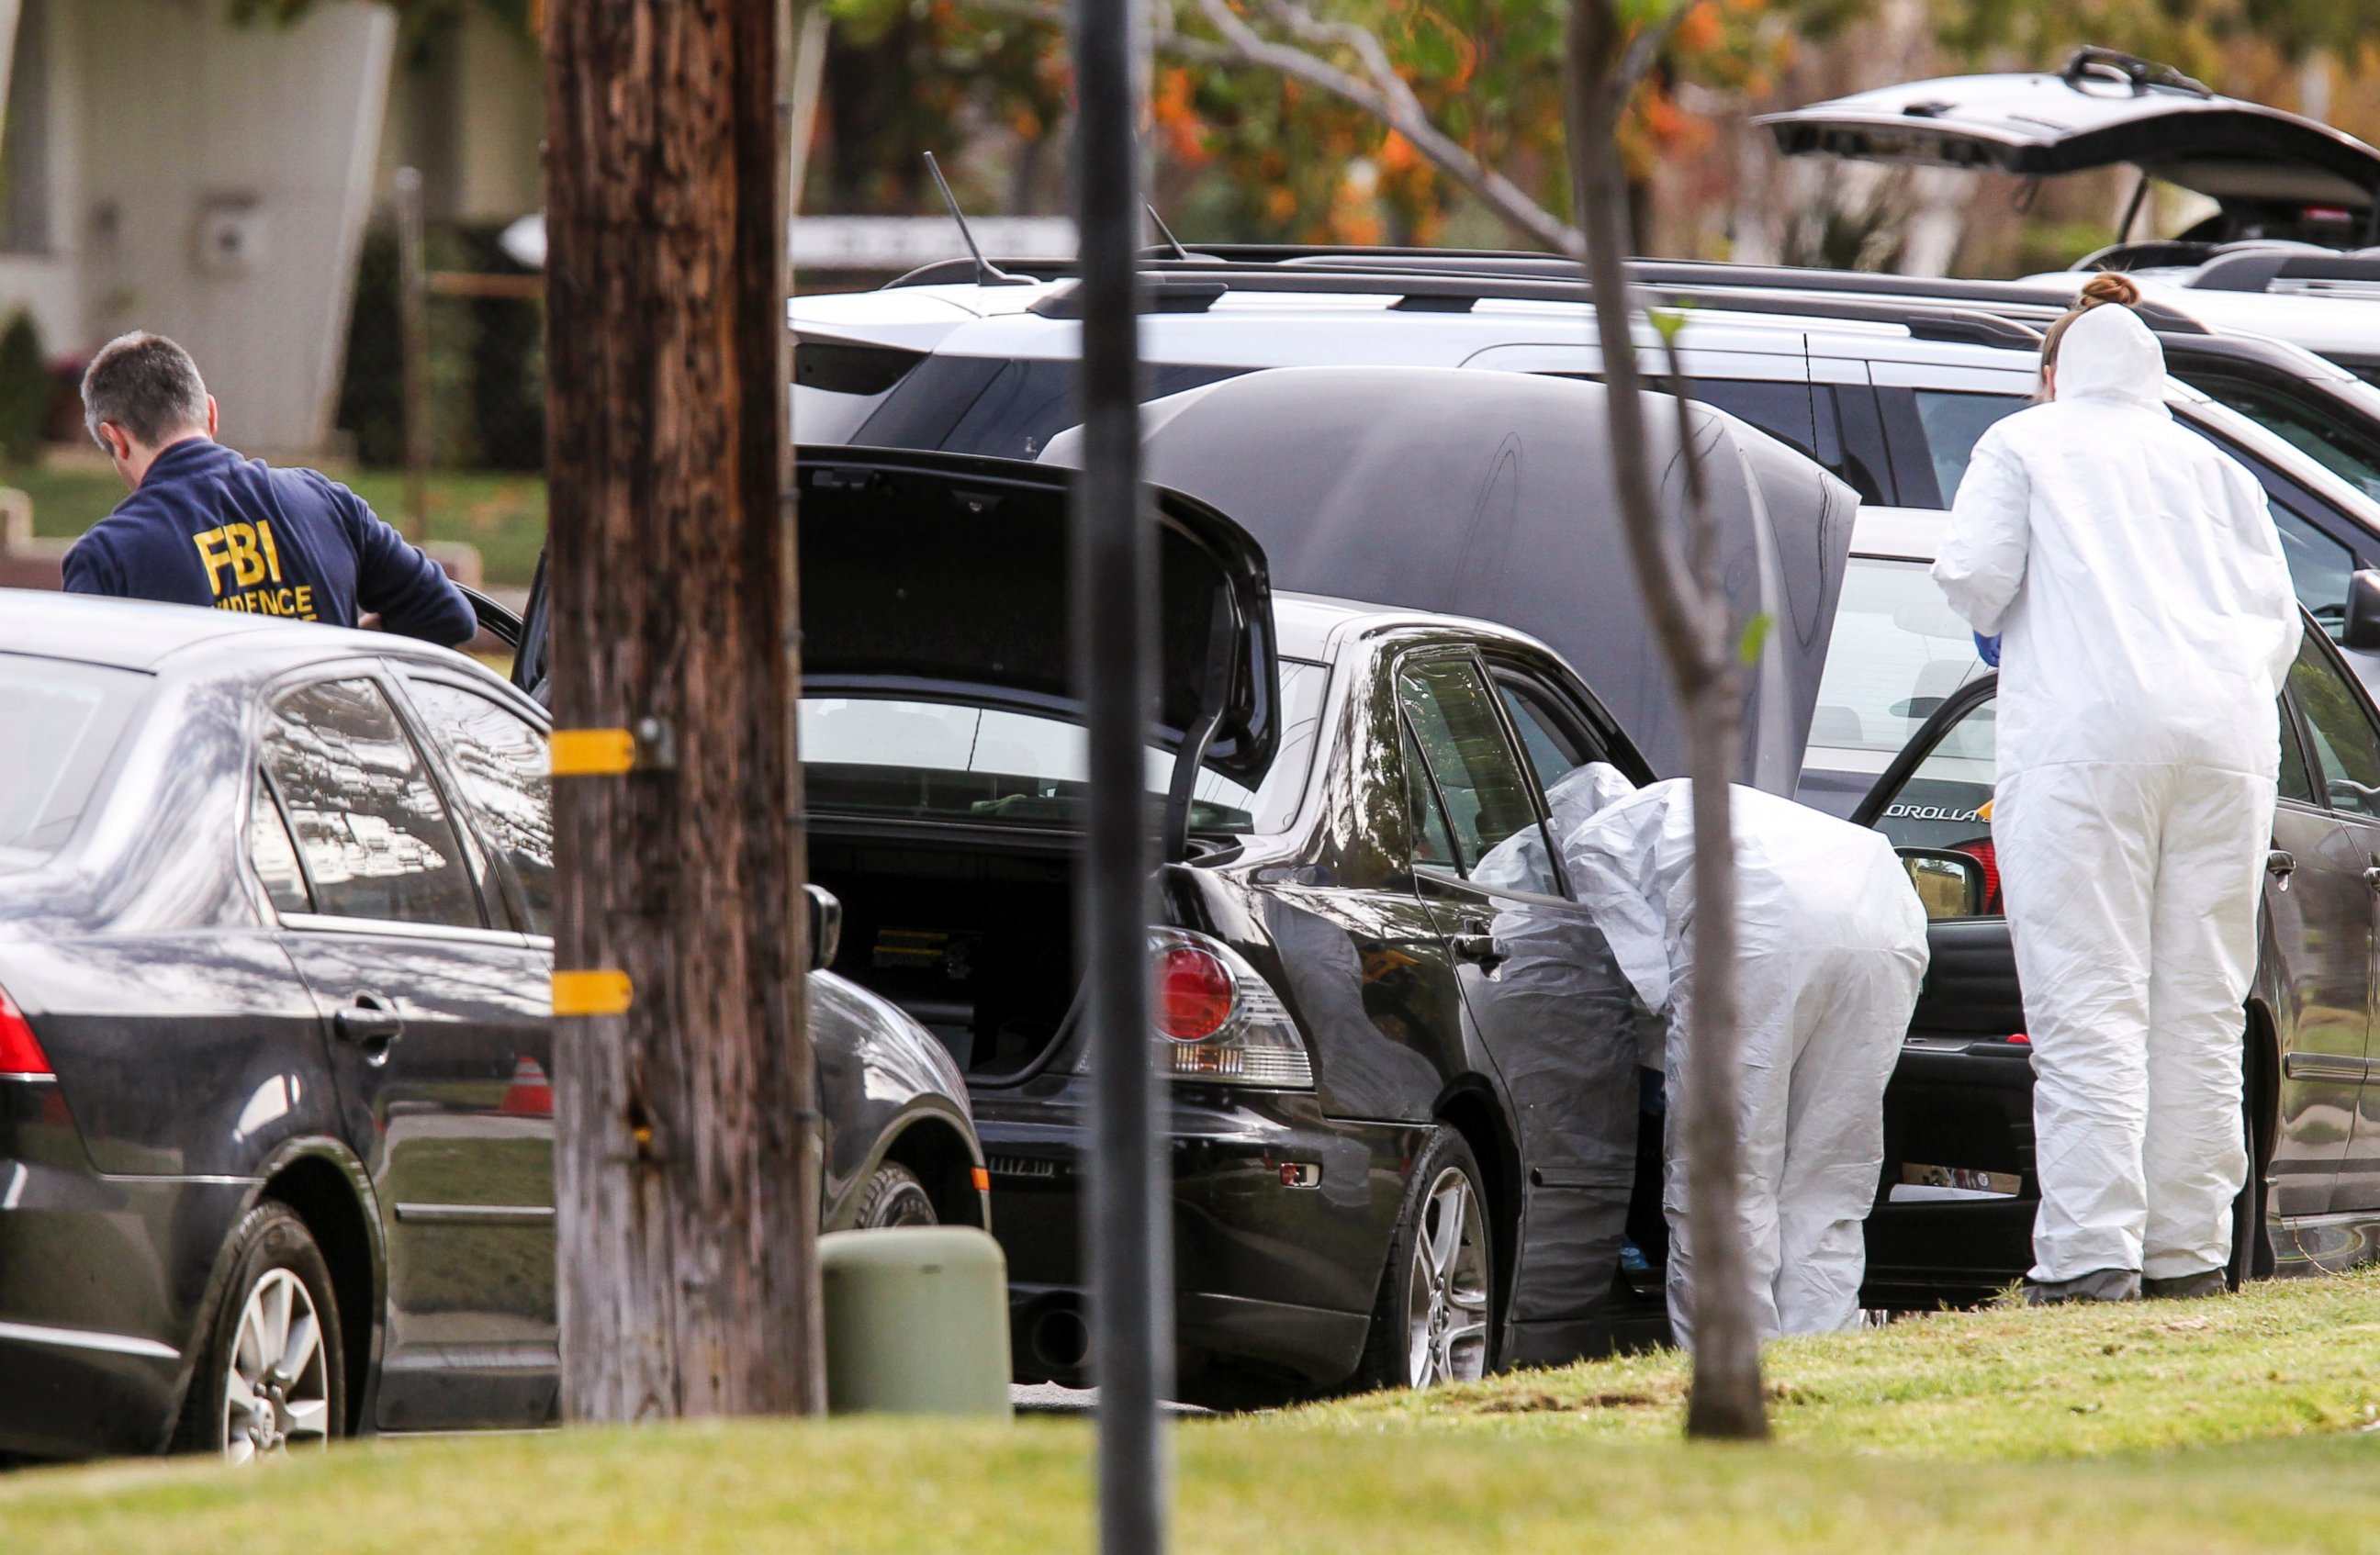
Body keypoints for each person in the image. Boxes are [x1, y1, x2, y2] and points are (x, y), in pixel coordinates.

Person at [1932, 273, 2301, 1304]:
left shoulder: (2023, 443)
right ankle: (2187, 1252)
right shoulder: (2218, 470)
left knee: (2089, 999)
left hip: (2086, 742)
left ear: (2054, 373)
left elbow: (1975, 578)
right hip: (2229, 745)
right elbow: (2277, 628)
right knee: (2200, 1001)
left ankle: (2091, 1252)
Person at [1549, 765, 1929, 1347]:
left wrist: (1657, 1074)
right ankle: (1817, 1351)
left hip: (1759, 935)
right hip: (1887, 922)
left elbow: (1647, 978)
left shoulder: (1592, 838)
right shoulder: (1706, 803)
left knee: (1728, 1173)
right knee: (1826, 1172)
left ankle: (1732, 1356)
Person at [61, 331, 476, 644]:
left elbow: (88, 699)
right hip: (329, 756)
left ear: (114, 438)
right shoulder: (326, 501)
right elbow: (446, 614)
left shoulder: (107, 556)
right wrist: (345, 654)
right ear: (209, 411)